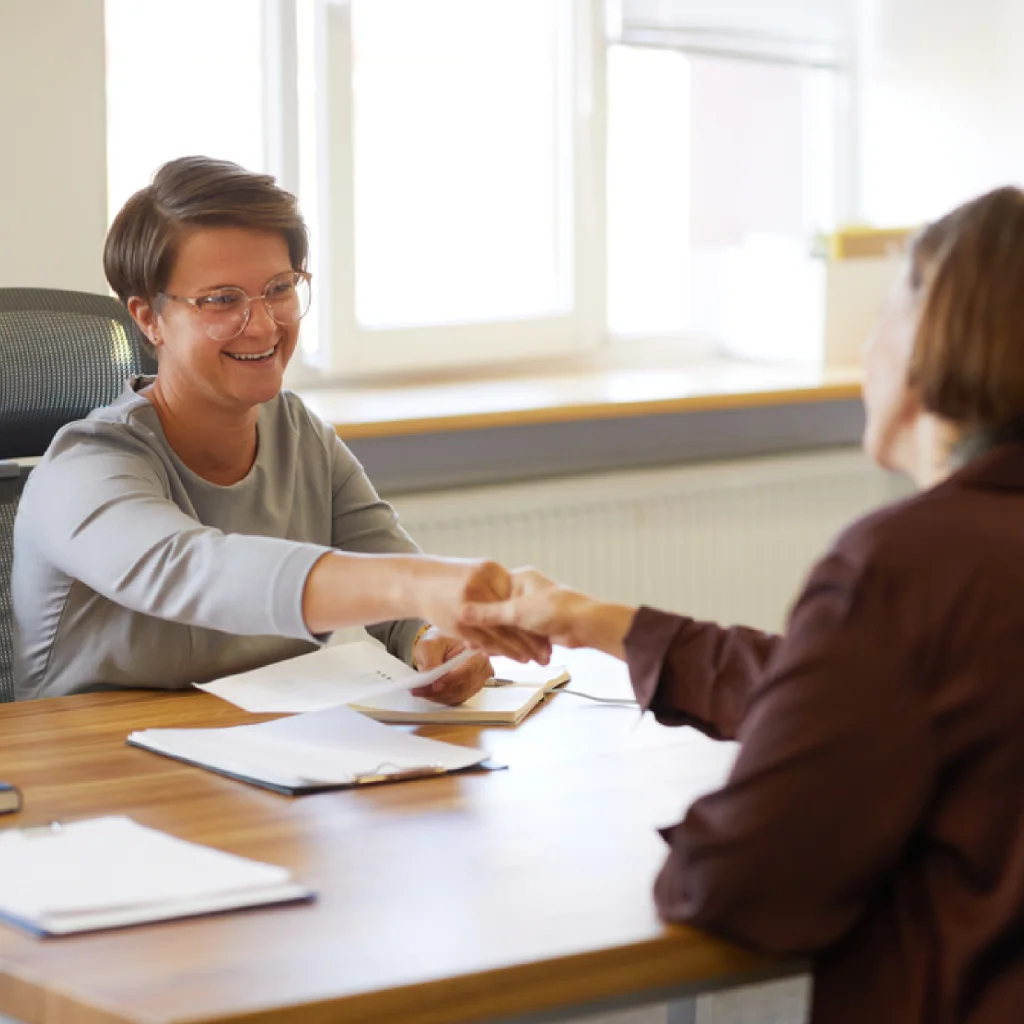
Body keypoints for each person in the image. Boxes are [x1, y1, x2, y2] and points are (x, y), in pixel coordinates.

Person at [462, 186, 1024, 1023]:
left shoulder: (903, 565)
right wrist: (599, 623)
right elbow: (887, 696)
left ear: (938, 340)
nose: (865, 347)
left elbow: (735, 881)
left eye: (883, 314)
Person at [12, 156, 546, 702]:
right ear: (149, 318)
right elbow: (195, 571)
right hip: (99, 768)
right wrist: (421, 583)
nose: (265, 324)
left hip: (262, 754)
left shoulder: (300, 435)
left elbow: (393, 593)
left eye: (279, 288)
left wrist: (434, 637)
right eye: (222, 300)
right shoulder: (83, 467)